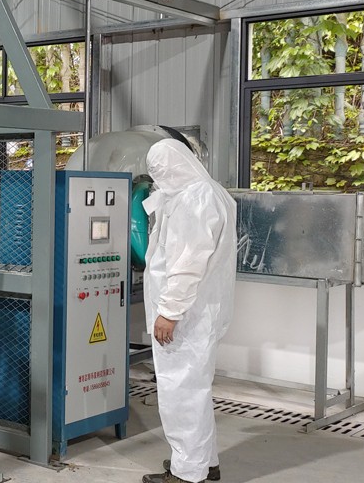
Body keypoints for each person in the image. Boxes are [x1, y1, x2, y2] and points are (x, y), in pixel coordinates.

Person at [140, 139, 237, 483]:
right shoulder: (209, 192)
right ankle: (204, 463)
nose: (157, 178)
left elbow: (187, 264)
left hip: (185, 315)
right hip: (200, 310)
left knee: (180, 392)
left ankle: (187, 473)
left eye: (158, 171)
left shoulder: (193, 199)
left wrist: (169, 312)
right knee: (195, 389)